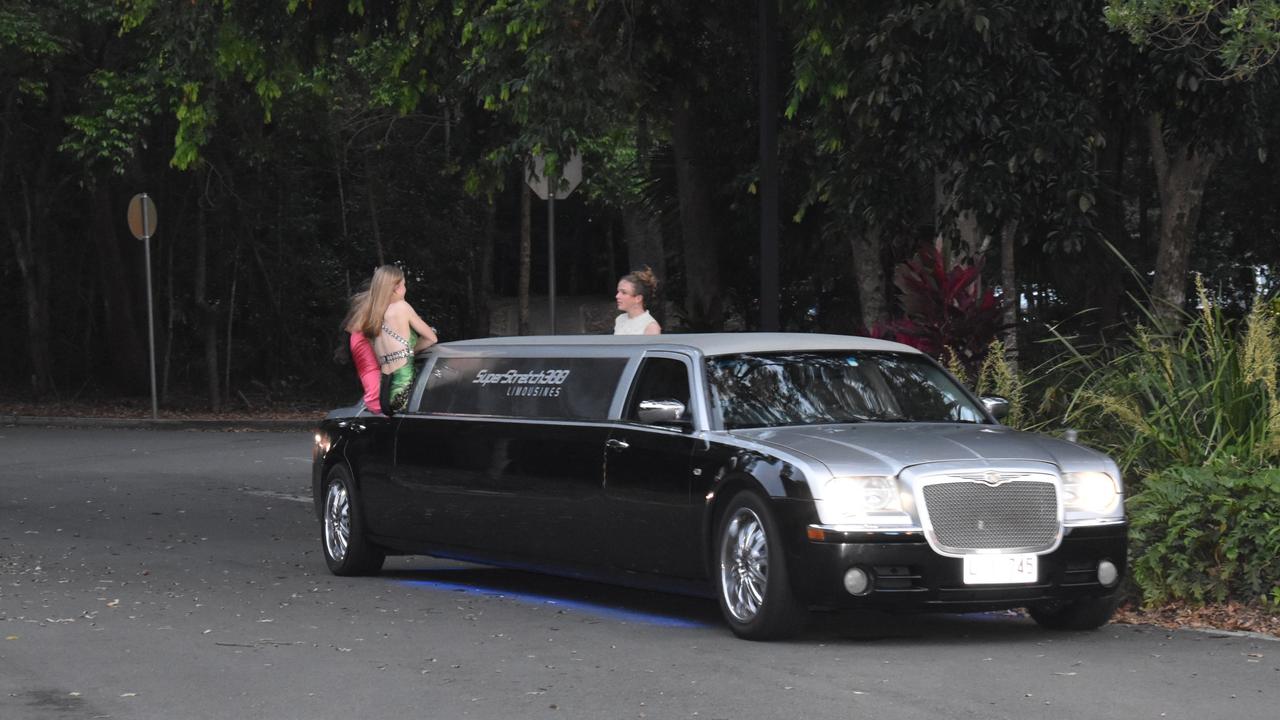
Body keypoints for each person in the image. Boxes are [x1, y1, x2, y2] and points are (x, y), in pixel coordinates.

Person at [357, 265, 438, 414]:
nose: (405, 289)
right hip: (404, 391)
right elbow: (431, 338)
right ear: (396, 288)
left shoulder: (371, 316)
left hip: (384, 395)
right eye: (404, 285)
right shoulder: (402, 307)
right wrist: (410, 351)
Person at [341, 289, 382, 415]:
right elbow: (383, 358)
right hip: (377, 397)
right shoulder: (365, 334)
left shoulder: (356, 334)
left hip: (374, 394)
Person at [614, 266, 662, 335]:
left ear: (638, 298)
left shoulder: (651, 327)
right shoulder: (620, 319)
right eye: (618, 292)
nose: (617, 296)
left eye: (624, 292)